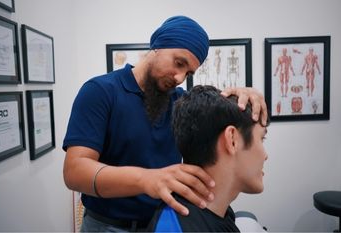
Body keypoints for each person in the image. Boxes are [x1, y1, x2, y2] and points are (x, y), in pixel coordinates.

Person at [62, 15, 267, 232]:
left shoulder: (178, 101)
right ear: (157, 46)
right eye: (179, 63)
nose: (179, 77)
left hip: (163, 222)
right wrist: (147, 179)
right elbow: (75, 172)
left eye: (188, 72)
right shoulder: (101, 92)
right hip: (107, 226)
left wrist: (245, 94)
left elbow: (219, 113)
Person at [147, 85, 269, 232]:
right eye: (262, 139)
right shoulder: (175, 227)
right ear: (232, 140)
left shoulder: (221, 212)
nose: (265, 155)